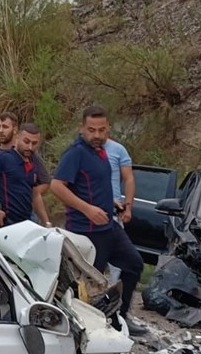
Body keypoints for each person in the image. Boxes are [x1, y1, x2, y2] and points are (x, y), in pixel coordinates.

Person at [49, 106, 148, 334]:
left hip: (109, 226)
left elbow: (93, 186)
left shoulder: (101, 152)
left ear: (108, 129)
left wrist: (111, 203)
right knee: (88, 283)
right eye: (91, 130)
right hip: (87, 229)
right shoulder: (76, 153)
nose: (97, 135)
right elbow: (57, 186)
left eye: (101, 130)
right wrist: (87, 209)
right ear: (82, 128)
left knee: (134, 264)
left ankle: (120, 319)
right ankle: (82, 328)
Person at [0, 111, 51, 223]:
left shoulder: (30, 155)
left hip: (27, 216)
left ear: (15, 130)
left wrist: (46, 222)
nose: (1, 131)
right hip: (5, 217)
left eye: (5, 127)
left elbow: (44, 182)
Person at [106, 136, 135, 223]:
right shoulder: (82, 150)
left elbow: (129, 179)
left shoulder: (118, 149)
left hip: (114, 212)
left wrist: (128, 208)